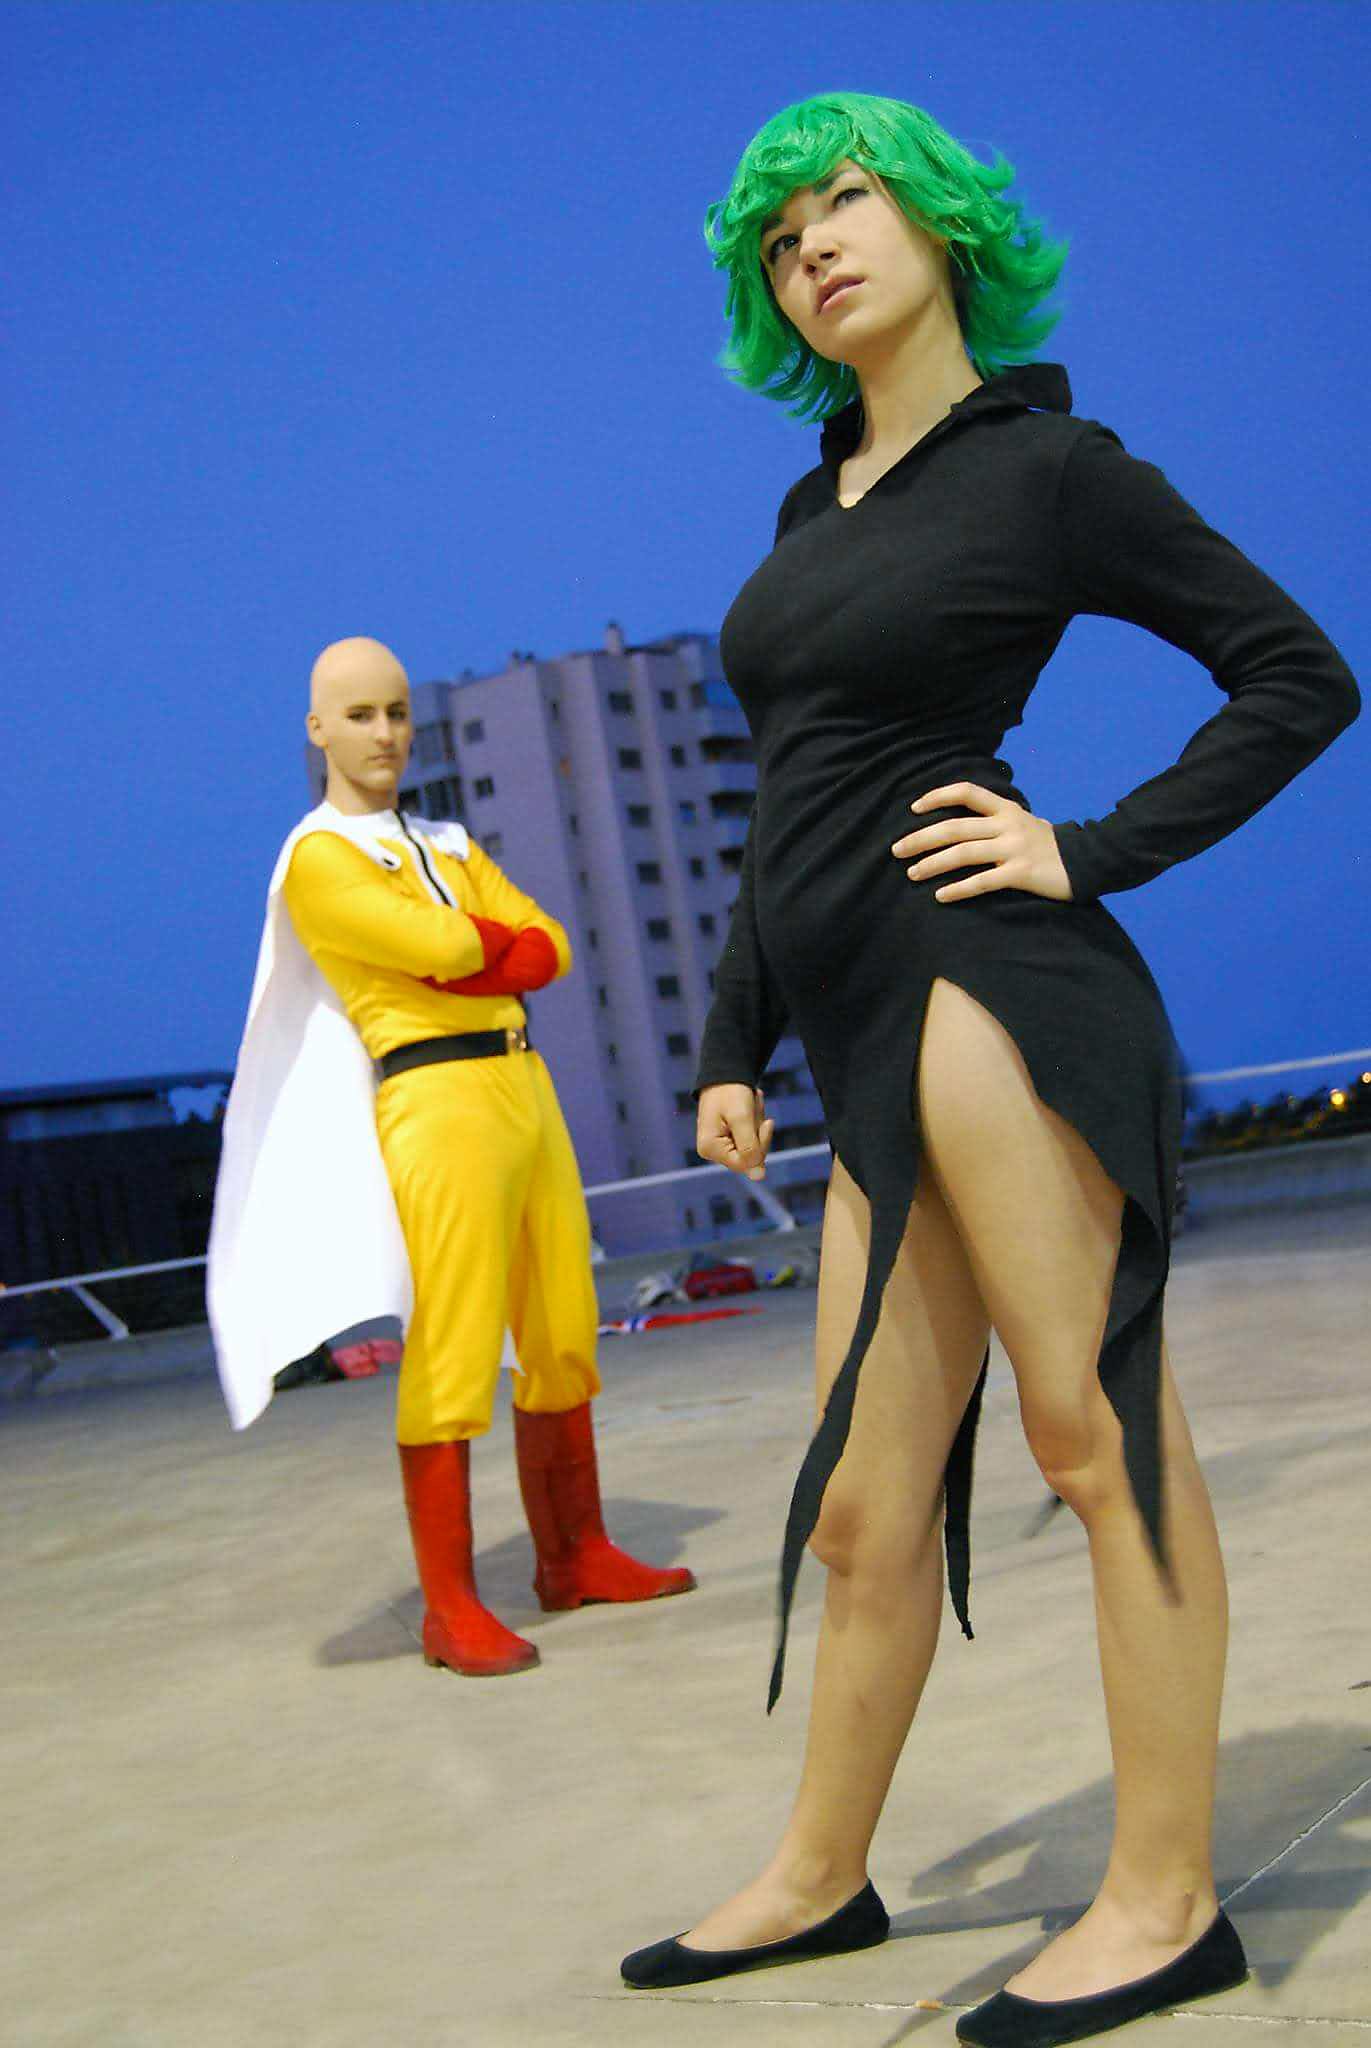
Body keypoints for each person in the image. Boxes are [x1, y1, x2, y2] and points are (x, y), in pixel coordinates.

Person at [619, 93, 1358, 2044]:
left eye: (843, 199)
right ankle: (818, 1873)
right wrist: (730, 1038)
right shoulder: (813, 507)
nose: (811, 245)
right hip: (854, 1025)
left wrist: (1083, 847)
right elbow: (793, 798)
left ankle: (1165, 1895)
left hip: (989, 991)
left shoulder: (1046, 468)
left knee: (1092, 1436)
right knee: (863, 1507)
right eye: (776, 236)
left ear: (940, 218)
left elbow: (1297, 673)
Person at [208, 636, 694, 1679]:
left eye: (396, 711)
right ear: (317, 728)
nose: (385, 733)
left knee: (561, 1326)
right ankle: (450, 1605)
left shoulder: (445, 838)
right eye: (360, 714)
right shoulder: (317, 858)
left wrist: (476, 947)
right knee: (457, 1340)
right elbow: (444, 946)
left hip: (524, 1087)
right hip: (433, 1097)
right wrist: (480, 945)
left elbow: (548, 943)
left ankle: (573, 1555)